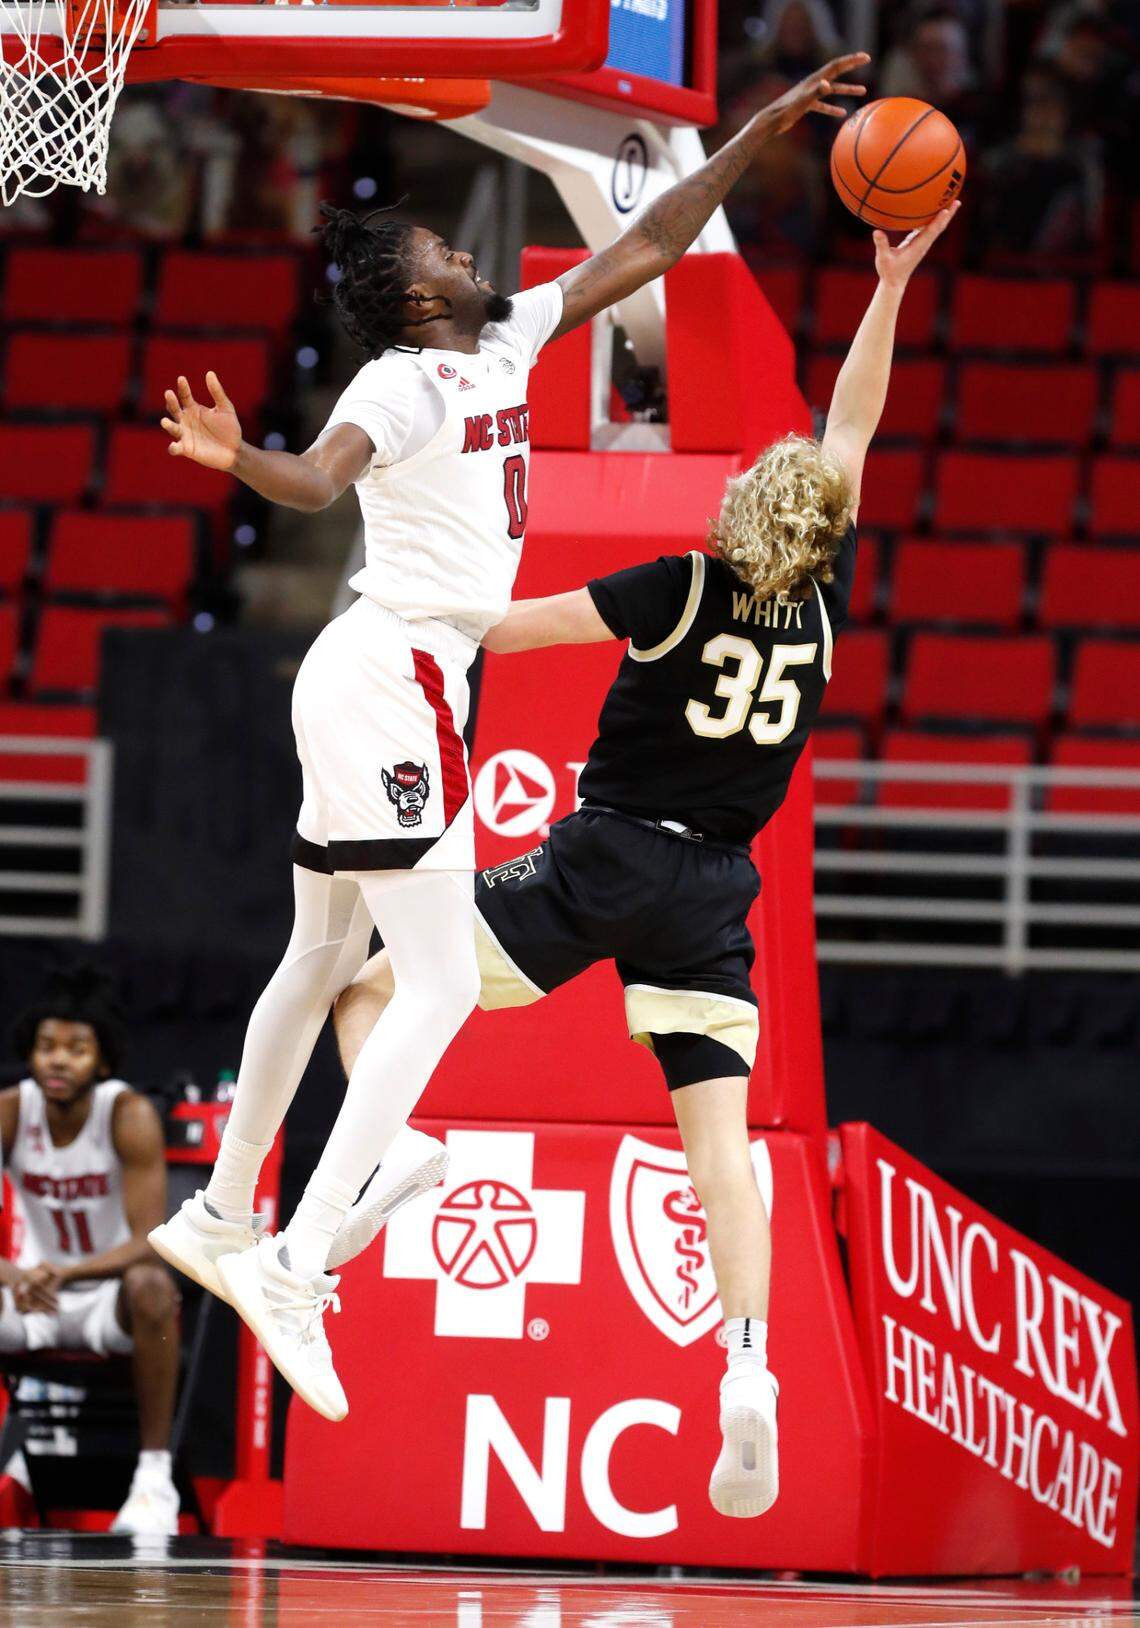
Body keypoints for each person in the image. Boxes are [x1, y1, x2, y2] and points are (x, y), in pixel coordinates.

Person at [148, 55, 870, 1424]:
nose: (461, 249)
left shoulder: (515, 334)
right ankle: (298, 1257)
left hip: (385, 680)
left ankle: (229, 1207)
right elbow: (316, 479)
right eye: (438, 248)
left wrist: (760, 134)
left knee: (320, 956)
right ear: (421, 293)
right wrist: (242, 461)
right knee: (423, 990)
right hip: (393, 675)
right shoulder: (403, 384)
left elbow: (653, 239)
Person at [330, 204, 960, 1518]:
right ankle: (749, 1367)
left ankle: (387, 1167)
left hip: (604, 857)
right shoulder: (821, 603)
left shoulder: (679, 584)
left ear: (740, 507)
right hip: (719, 885)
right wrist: (890, 286)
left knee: (371, 995)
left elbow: (501, 632)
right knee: (716, 1144)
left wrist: (400, 591)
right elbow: (855, 426)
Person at [0, 969, 181, 1536]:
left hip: (104, 1299)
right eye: (47, 1047)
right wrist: (12, 1275)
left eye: (76, 1050)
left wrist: (68, 1271)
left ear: (102, 1062)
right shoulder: (10, 1109)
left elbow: (150, 1236)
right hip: (32, 1298)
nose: (58, 1061)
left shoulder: (127, 1114)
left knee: (154, 1284)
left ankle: (154, 1481)